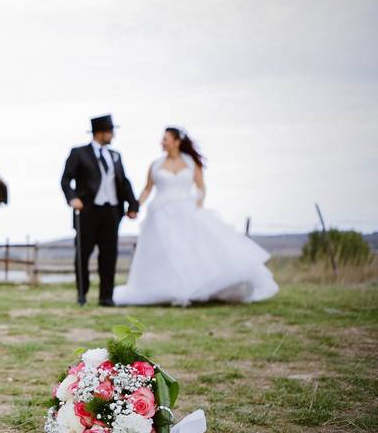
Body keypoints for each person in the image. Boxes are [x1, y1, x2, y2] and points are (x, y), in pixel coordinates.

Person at [114, 127, 278, 306]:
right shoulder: (155, 165)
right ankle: (170, 289)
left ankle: (195, 287)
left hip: (186, 211)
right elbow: (147, 189)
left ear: (177, 141)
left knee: (190, 250)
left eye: (166, 139)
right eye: (162, 139)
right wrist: (136, 207)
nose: (162, 142)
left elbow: (201, 187)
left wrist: (197, 204)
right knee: (167, 253)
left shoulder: (190, 163)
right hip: (161, 215)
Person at [61, 114, 140, 306]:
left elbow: (124, 181)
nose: (112, 135)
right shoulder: (79, 153)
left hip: (111, 211)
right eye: (109, 131)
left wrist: (133, 205)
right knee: (83, 253)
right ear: (99, 133)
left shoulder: (115, 155)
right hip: (87, 211)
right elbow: (65, 180)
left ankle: (106, 297)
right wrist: (73, 199)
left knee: (109, 255)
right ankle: (82, 294)